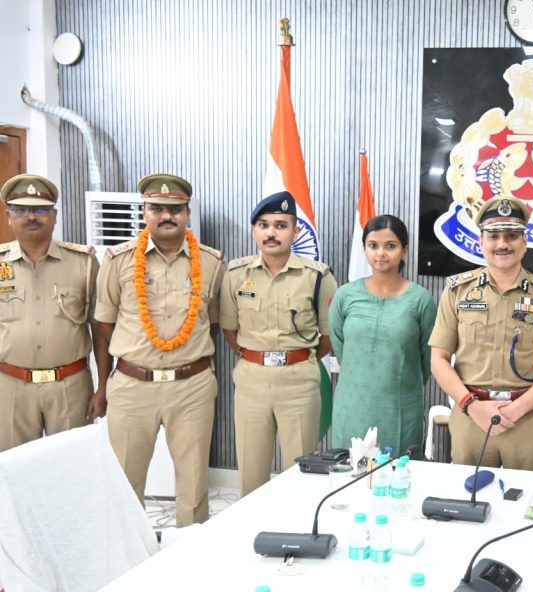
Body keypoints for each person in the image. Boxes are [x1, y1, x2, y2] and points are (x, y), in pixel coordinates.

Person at [94, 173, 224, 526]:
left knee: (194, 484)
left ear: (187, 213)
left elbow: (212, 323)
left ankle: (190, 549)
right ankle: (127, 552)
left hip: (192, 386)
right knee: (124, 481)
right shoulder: (118, 260)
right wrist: (103, 386)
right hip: (132, 386)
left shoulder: (212, 263)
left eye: (175, 209)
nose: (167, 216)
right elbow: (103, 325)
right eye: (157, 208)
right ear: (144, 212)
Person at [429, 195, 533, 470]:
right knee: (469, 492)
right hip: (471, 416)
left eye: (512, 236)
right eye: (493, 236)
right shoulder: (457, 292)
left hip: (527, 419)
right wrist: (472, 405)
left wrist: (516, 410)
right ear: (480, 241)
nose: (502, 244)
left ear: (525, 241)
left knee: (528, 495)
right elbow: (438, 360)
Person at [219, 191, 337, 495]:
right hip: (252, 381)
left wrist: (297, 359)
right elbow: (229, 329)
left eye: (280, 226)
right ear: (253, 231)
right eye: (264, 225)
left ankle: (297, 523)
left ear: (295, 232)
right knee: (251, 472)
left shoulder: (317, 277)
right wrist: (255, 357)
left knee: (300, 472)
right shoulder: (236, 274)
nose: (271, 233)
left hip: (299, 383)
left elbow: (328, 337)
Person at [0, 174, 110, 451]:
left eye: (40, 210)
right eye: (21, 210)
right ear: (8, 216)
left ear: (55, 215)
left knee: (72, 465)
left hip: (70, 386)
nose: (31, 217)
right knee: (13, 468)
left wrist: (103, 387)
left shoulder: (84, 263)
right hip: (10, 387)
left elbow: (100, 330)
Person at [329, 214, 436, 457]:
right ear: (364, 249)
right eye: (373, 245)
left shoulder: (420, 300)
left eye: (390, 246)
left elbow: (427, 360)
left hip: (400, 410)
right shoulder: (345, 296)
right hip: (352, 407)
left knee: (398, 474)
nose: (381, 253)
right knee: (349, 472)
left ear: (404, 250)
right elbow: (342, 350)